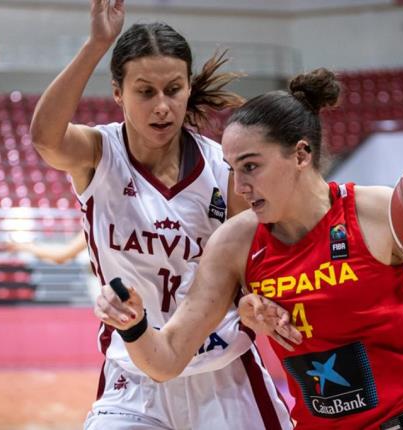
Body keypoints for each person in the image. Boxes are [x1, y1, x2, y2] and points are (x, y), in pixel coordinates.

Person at [95, 68, 403, 429]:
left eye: (251, 166)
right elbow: (167, 359)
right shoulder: (234, 243)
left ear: (301, 155)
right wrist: (133, 324)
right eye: (231, 169)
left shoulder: (378, 212)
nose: (238, 186)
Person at [29, 0, 292, 429]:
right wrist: (97, 44)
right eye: (145, 91)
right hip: (134, 378)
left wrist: (254, 303)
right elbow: (45, 138)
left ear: (188, 88)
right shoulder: (99, 153)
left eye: (173, 89)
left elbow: (249, 272)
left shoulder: (223, 168)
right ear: (118, 92)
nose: (162, 106)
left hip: (223, 375)